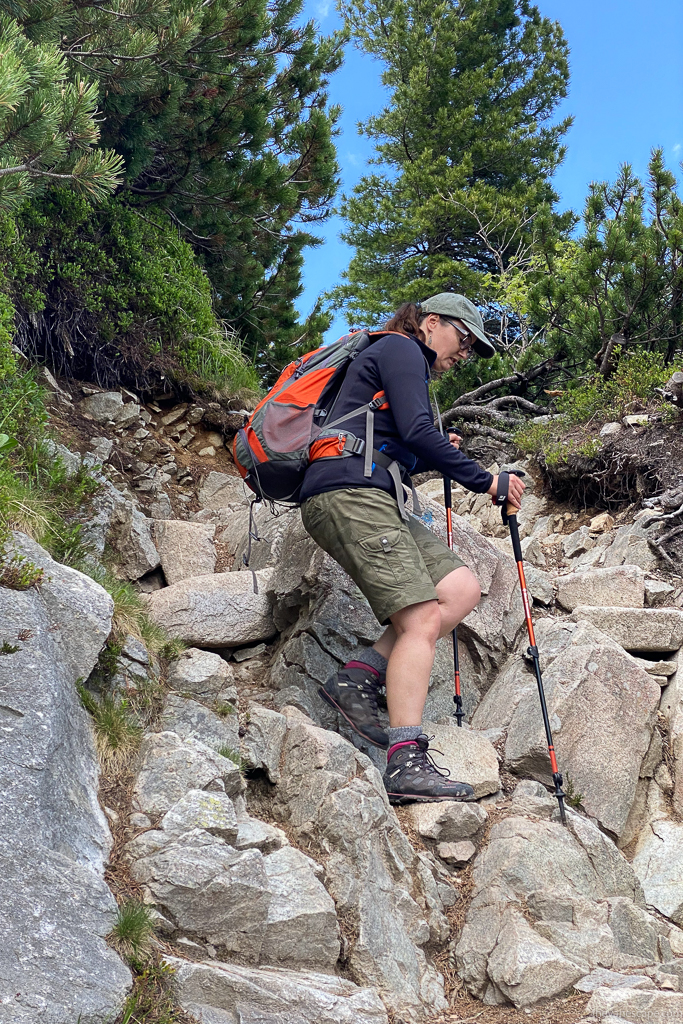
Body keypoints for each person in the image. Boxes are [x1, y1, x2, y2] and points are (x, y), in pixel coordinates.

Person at [300, 293, 525, 804]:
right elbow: (420, 432)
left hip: (372, 495)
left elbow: (401, 440)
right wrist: (485, 480)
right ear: (431, 323)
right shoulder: (401, 349)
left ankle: (357, 680)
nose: (465, 353)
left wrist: (436, 454)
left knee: (461, 588)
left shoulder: (399, 361)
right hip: (348, 496)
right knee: (423, 618)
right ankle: (405, 763)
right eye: (464, 339)